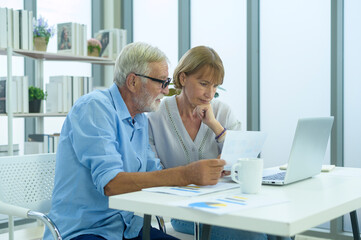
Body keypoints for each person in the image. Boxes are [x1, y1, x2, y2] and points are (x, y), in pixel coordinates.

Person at [43, 42, 226, 240]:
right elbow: (111, 184)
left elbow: (153, 172)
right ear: (132, 82)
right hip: (85, 230)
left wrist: (201, 181)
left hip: (126, 226)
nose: (166, 91)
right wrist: (186, 174)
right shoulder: (94, 108)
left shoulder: (139, 118)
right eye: (161, 83)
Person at [148, 46, 291, 240]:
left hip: (230, 204)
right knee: (255, 236)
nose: (210, 93)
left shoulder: (222, 111)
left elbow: (245, 163)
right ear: (183, 78)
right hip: (185, 212)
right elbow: (152, 172)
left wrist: (215, 126)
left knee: (280, 231)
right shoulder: (157, 115)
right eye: (204, 83)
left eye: (215, 86)